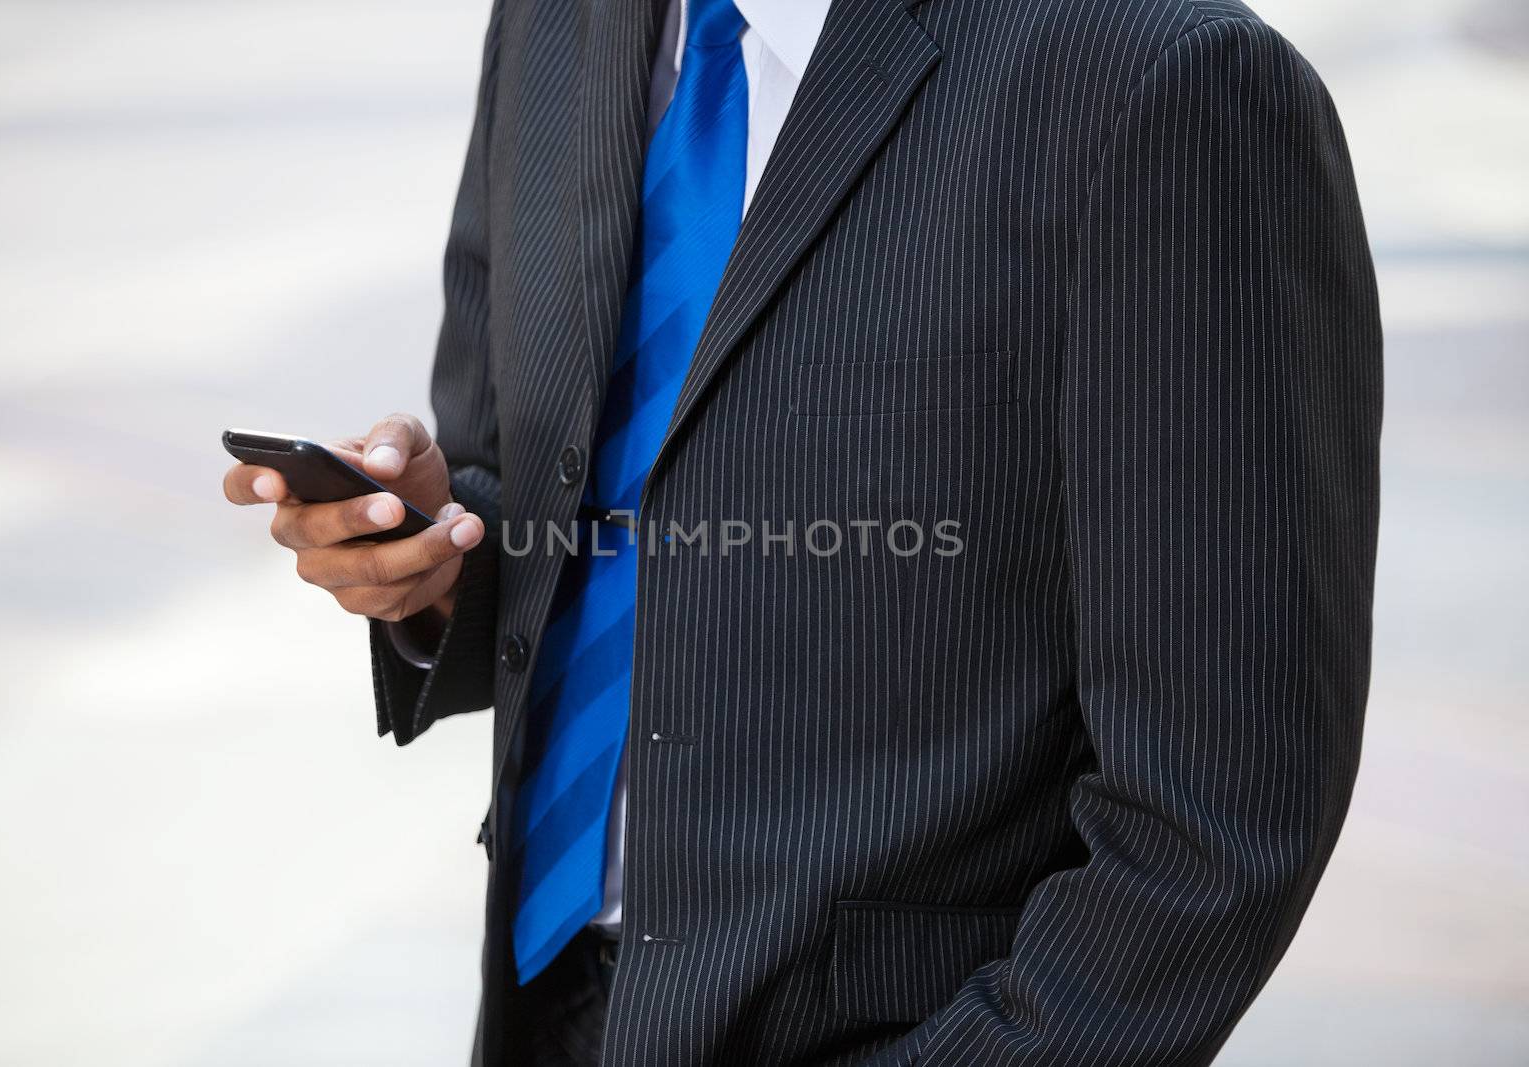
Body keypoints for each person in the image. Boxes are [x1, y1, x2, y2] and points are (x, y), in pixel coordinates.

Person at [223, 0, 1381, 1062]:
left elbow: (1219, 818)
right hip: (549, 1001)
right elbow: (528, 469)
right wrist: (432, 566)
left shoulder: (1167, 80)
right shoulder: (555, 19)